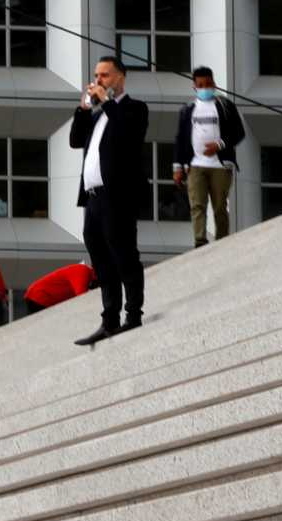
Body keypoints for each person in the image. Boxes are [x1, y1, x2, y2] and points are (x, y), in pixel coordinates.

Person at [69, 55, 150, 346]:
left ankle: (133, 314)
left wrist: (108, 103)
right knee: (100, 259)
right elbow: (75, 140)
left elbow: (128, 136)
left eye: (104, 75)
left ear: (120, 77)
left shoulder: (134, 109)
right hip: (93, 198)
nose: (98, 81)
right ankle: (109, 319)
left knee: (124, 253)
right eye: (96, 75)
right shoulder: (98, 115)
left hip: (118, 196)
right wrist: (83, 108)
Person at [166, 66, 245, 246]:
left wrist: (219, 145)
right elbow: (180, 139)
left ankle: (222, 240)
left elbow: (239, 132)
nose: (205, 88)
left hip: (220, 165)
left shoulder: (225, 106)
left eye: (208, 84)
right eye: (201, 85)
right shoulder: (188, 110)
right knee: (197, 204)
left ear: (214, 84)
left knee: (219, 206)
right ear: (194, 87)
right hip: (195, 165)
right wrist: (177, 168)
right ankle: (200, 240)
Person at [23, 260, 94, 312]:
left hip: (40, 297)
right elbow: (82, 298)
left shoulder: (86, 276)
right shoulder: (83, 271)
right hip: (40, 296)